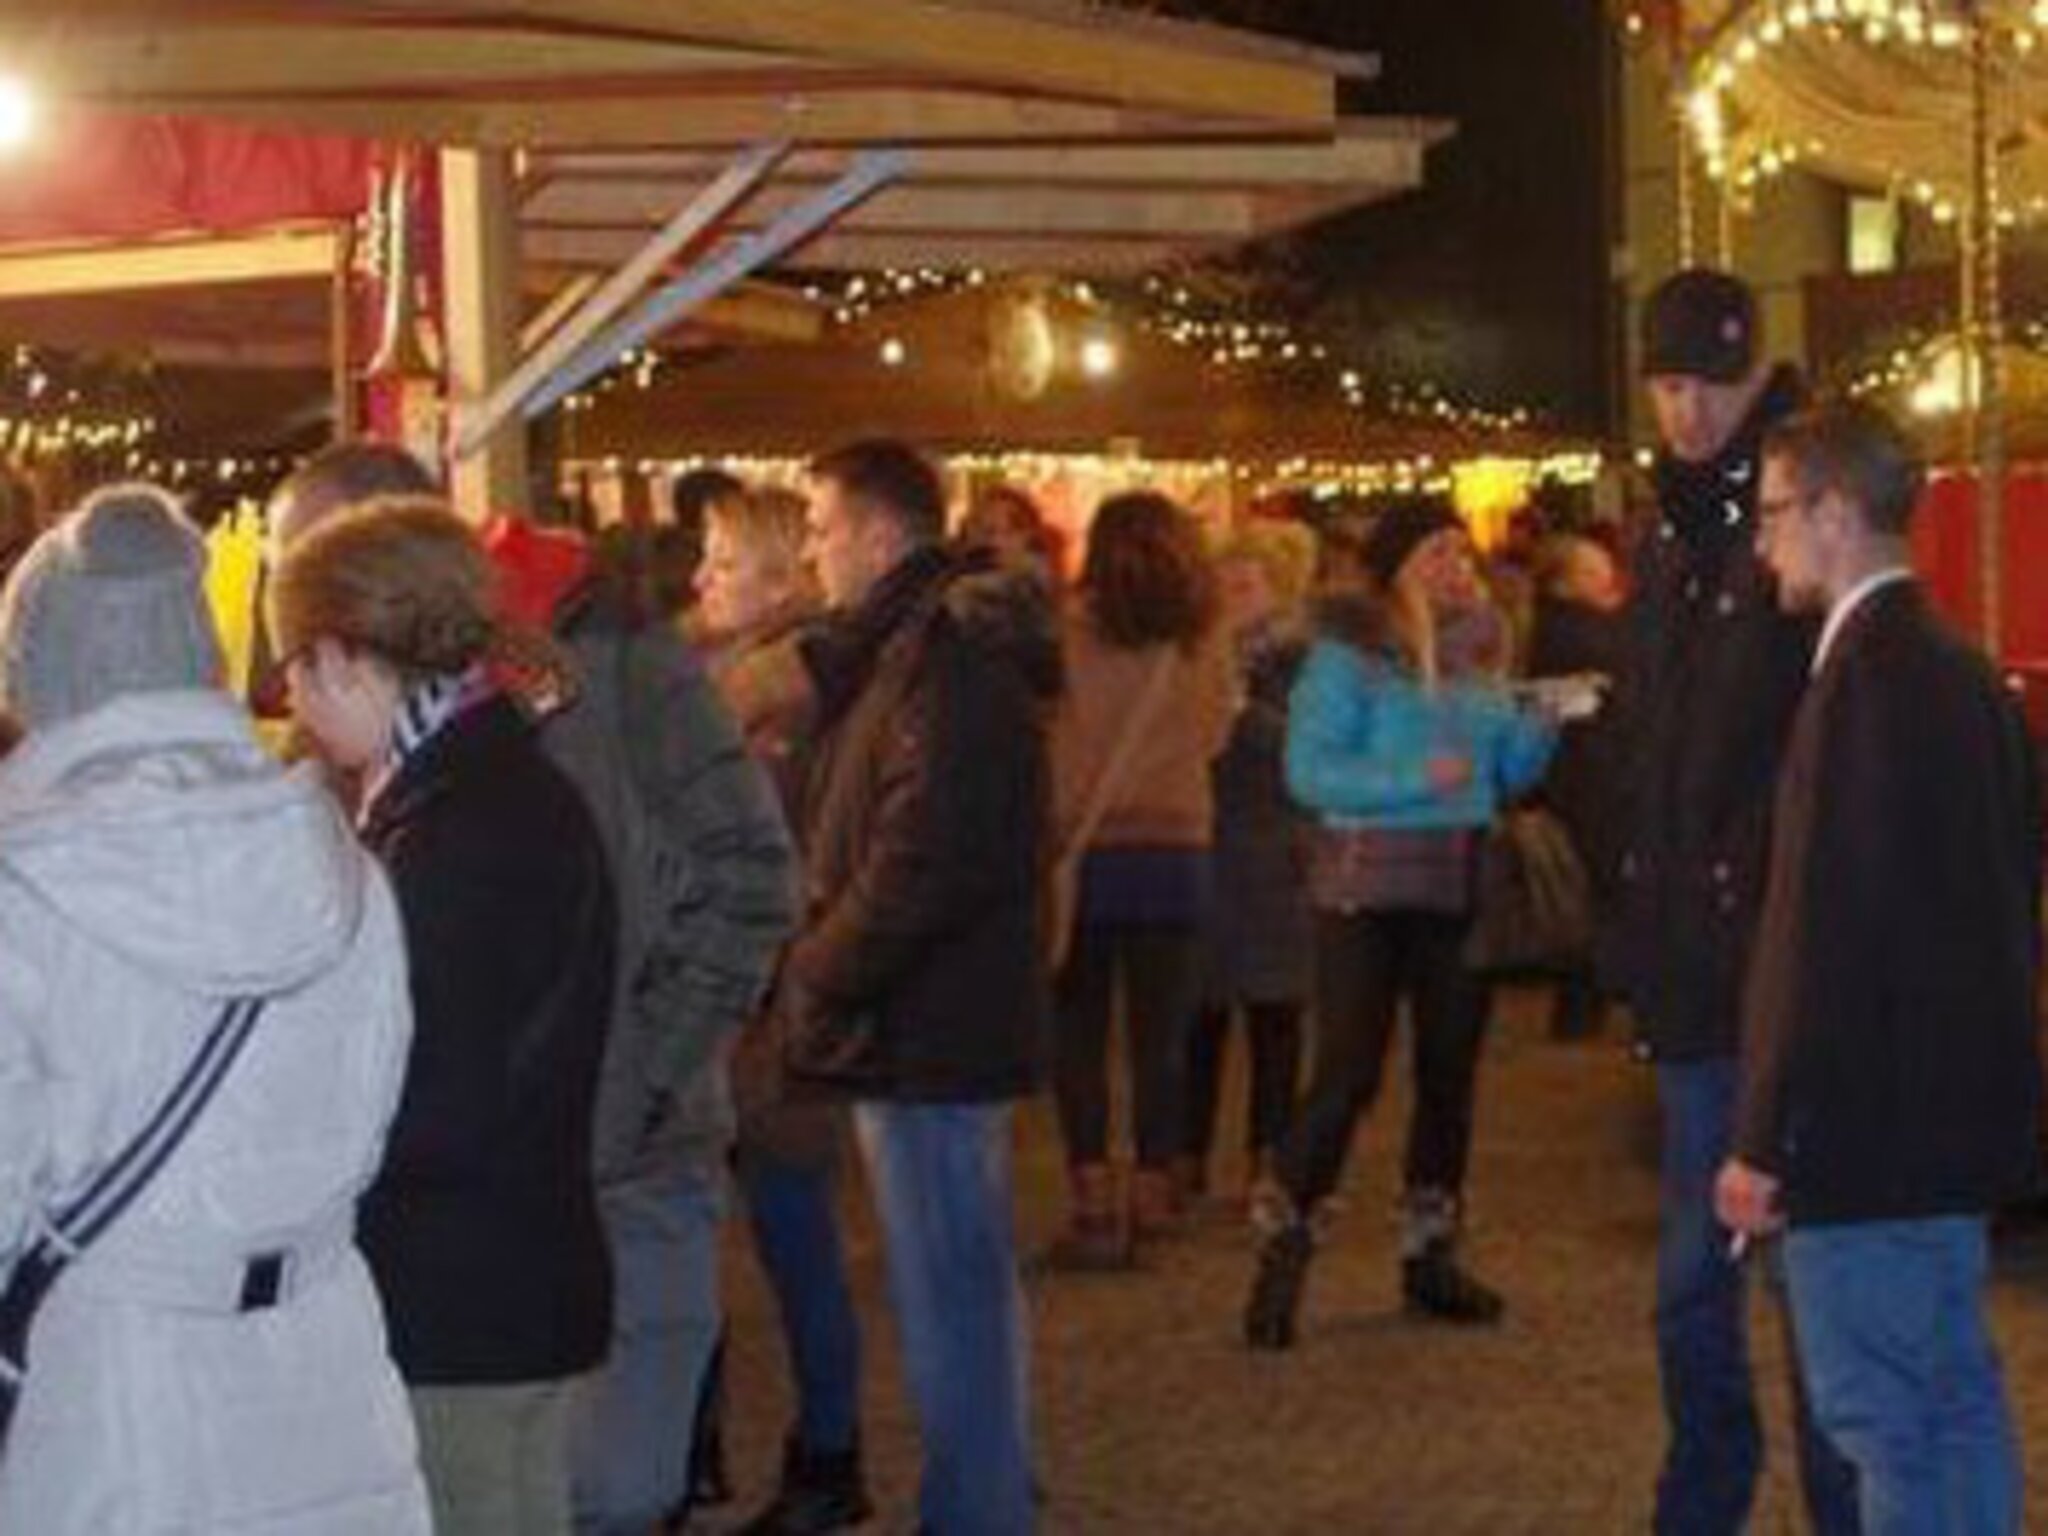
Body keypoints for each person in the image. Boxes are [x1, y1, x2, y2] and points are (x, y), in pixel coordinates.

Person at [0, 485, 430, 1532]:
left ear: (42, 672)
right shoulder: (345, 868)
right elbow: (371, 1121)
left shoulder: (25, 887)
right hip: (323, 1363)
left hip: (111, 1381)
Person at [1719, 401, 2041, 1536]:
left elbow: (1820, 932)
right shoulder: (1957, 671)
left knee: (1883, 1423)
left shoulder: (1858, 684)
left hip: (1863, 1129)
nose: (1759, 545)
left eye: (1770, 516)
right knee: (1950, 1400)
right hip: (1948, 1115)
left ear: (1835, 512)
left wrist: (1762, 1136)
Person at [271, 499, 618, 1536]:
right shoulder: (482, 786)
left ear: (344, 656)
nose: (286, 694)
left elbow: (436, 1092)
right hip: (511, 1279)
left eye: (292, 663)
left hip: (467, 1300)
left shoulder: (462, 826)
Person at [483, 514, 797, 1536]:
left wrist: (651, 1067)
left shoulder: (626, 668)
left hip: (636, 1145)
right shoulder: (459, 673)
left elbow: (753, 876)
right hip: (528, 1163)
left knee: (613, 1484)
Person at [1610, 268, 1860, 1536]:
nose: (1684, 409)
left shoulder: (1795, 522)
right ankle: (1699, 1499)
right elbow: (1653, 736)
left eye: (1703, 382)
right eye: (1664, 383)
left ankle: (1834, 1506)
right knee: (1688, 1283)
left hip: (1764, 957)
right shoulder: (1663, 534)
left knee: (1794, 1278)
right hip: (1685, 961)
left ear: (1749, 374)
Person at [772, 439, 1058, 1536]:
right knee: (958, 1289)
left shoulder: (943, 659)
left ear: (882, 534)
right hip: (925, 1014)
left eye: (823, 527)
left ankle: (976, 1511)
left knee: (953, 1300)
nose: (813, 550)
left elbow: (922, 857)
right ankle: (982, 1496)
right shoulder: (909, 650)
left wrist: (819, 966)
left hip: (928, 1022)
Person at [1243, 496, 1555, 1350]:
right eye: (1438, 554)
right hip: (1365, 892)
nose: (1459, 569)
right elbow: (1311, 773)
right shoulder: (1349, 655)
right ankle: (1286, 1246)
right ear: (1397, 567)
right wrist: (1423, 773)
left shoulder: (1486, 647)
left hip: (1460, 882)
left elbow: (1500, 775)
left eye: (1463, 552)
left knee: (1449, 1074)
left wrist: (1537, 732)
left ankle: (1430, 1254)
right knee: (1347, 1074)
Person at [695, 486, 874, 1535]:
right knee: (743, 1235)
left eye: (722, 563)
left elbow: (764, 856)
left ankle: (826, 1452)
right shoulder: (741, 678)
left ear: (775, 579)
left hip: (766, 1005)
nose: (701, 582)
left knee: (790, 1235)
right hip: (758, 997)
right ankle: (732, 1439)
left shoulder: (777, 691)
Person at [1048, 492, 1235, 1264]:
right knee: (1162, 1035)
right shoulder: (1202, 634)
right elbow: (1217, 731)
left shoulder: (1065, 628)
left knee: (1079, 1034)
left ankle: (1091, 1193)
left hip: (1084, 851)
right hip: (1175, 844)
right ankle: (1154, 1188)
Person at [1181, 519, 1318, 1210]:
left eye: (1246, 584)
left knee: (1274, 1017)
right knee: (1198, 1014)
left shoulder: (1304, 662)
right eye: (1224, 584)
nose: (1233, 596)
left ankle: (1271, 1157)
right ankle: (1185, 1157)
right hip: (1208, 848)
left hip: (1275, 853)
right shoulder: (1195, 656)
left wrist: (1246, 715)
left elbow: (1309, 754)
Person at [1524, 531, 1627, 1040]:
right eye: (1593, 571)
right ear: (1566, 583)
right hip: (1591, 775)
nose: (1606, 579)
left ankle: (1582, 1003)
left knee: (1588, 892)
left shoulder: (1551, 628)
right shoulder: (1576, 632)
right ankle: (1586, 1000)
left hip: (1578, 773)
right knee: (1598, 890)